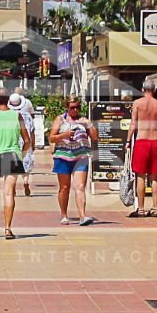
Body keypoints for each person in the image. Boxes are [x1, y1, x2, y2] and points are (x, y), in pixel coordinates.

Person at [0, 90, 32, 239]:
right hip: (13, 156)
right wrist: (20, 155)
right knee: (9, 193)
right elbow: (27, 141)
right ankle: (8, 228)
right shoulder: (17, 116)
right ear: (8, 99)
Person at [50, 95, 98, 225]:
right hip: (63, 156)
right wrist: (64, 135)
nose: (75, 110)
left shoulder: (83, 120)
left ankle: (82, 216)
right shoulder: (60, 120)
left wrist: (89, 124)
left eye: (77, 107)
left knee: (80, 186)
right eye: (72, 108)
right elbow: (52, 138)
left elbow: (94, 137)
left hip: (80, 156)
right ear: (67, 107)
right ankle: (64, 215)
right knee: (64, 187)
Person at [128, 84, 157, 217]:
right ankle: (155, 208)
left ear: (142, 89)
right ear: (154, 90)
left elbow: (133, 124)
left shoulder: (137, 103)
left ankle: (141, 209)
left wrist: (128, 141)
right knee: (155, 177)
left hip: (142, 141)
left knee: (141, 176)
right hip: (155, 141)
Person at [11, 90, 38, 196]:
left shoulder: (10, 115)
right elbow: (32, 131)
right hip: (26, 142)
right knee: (26, 163)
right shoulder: (27, 115)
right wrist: (33, 143)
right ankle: (26, 182)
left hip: (14, 142)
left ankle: (12, 186)